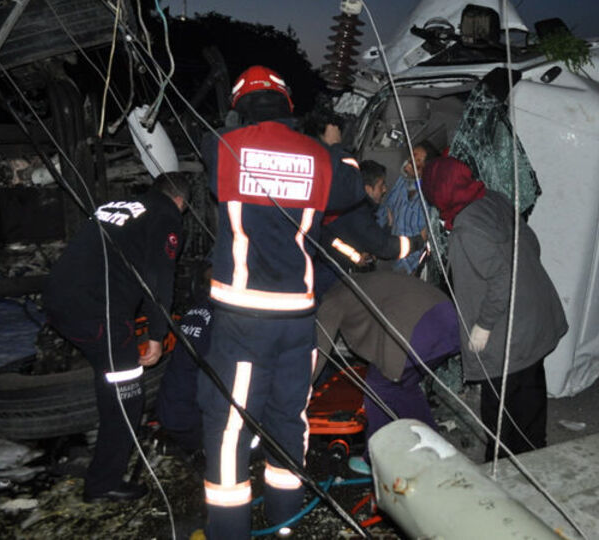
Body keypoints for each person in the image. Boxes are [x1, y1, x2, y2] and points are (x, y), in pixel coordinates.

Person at [198, 65, 364, 539]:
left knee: (231, 428)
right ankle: (284, 524)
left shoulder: (222, 146)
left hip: (244, 319)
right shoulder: (318, 156)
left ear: (240, 106)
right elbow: (352, 189)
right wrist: (334, 144)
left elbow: (216, 165)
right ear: (288, 105)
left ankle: (229, 531)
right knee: (289, 420)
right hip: (298, 322)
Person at [44, 172, 189, 502]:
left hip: (58, 299)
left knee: (108, 374)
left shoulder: (116, 206)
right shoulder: (166, 214)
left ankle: (83, 448)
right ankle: (103, 483)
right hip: (97, 312)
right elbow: (159, 276)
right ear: (180, 201)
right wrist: (156, 334)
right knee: (127, 395)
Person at [420, 156, 567, 459]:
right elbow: (531, 242)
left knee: (501, 414)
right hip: (535, 316)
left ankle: (503, 475)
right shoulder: (493, 199)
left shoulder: (466, 229)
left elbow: (502, 277)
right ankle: (536, 460)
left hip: (508, 333)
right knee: (530, 398)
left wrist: (483, 326)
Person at [315, 271, 460, 473]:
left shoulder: (332, 299)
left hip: (419, 330)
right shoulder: (357, 281)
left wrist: (301, 388)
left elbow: (318, 351)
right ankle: (435, 447)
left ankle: (377, 462)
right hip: (449, 322)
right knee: (405, 387)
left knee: (378, 387)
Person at [316, 160, 427, 296]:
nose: (385, 189)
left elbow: (348, 240)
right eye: (381, 186)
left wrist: (357, 257)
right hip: (331, 273)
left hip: (334, 265)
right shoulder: (358, 214)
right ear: (368, 189)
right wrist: (419, 240)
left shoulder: (352, 205)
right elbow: (385, 247)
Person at [154, 262, 213, 457]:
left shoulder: (192, 314)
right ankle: (201, 450)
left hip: (169, 413)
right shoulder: (225, 323)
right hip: (193, 423)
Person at [374, 140, 440, 275]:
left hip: (413, 265)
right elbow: (385, 211)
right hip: (391, 252)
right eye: (410, 157)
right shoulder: (402, 183)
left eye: (417, 161)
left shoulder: (430, 198)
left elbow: (429, 239)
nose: (410, 162)